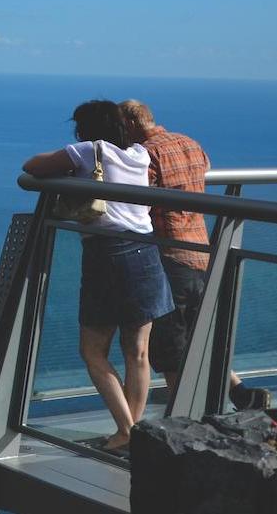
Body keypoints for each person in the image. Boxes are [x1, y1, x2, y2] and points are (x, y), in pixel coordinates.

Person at [23, 100, 174, 452]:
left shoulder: (89, 150)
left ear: (85, 128)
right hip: (146, 252)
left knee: (92, 351)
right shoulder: (139, 153)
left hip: (107, 256)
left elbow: (32, 166)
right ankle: (131, 433)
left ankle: (126, 430)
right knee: (138, 353)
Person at [120, 99, 271, 411]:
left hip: (170, 254)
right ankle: (240, 392)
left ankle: (180, 412)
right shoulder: (190, 142)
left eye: (121, 127)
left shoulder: (147, 153)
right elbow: (205, 172)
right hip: (201, 250)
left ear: (132, 124)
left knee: (171, 341)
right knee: (197, 331)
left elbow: (139, 201)